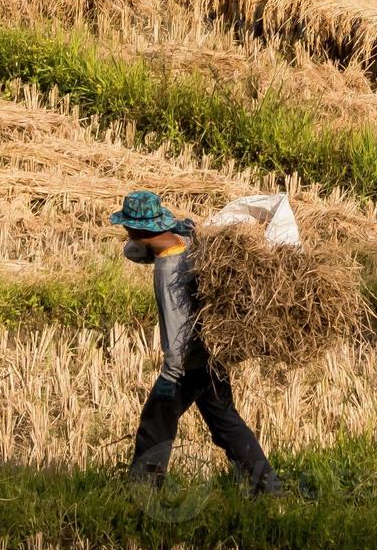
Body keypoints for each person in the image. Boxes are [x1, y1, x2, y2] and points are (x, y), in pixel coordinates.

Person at [110, 190, 285, 497]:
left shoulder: (168, 273)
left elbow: (177, 332)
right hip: (212, 353)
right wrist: (167, 228)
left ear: (139, 230)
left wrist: (170, 376)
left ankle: (143, 492)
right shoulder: (188, 243)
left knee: (155, 423)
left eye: (128, 227)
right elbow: (135, 251)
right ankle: (269, 488)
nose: (125, 232)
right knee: (226, 424)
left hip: (188, 363)